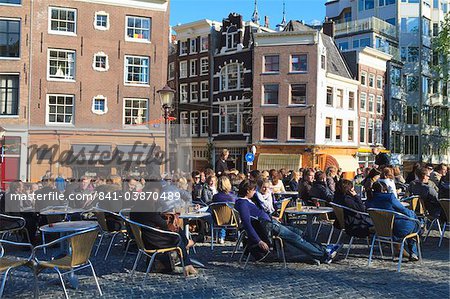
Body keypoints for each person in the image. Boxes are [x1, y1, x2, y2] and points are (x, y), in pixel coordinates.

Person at [235, 180, 342, 264]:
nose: (254, 192)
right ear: (248, 190)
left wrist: (271, 218)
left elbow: (257, 214)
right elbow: (247, 223)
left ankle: (323, 249)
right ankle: (323, 255)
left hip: (271, 222)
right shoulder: (242, 203)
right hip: (269, 227)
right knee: (297, 239)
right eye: (253, 190)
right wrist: (259, 241)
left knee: (299, 233)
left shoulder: (246, 201)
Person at [366, 182, 420, 261]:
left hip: (381, 230)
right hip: (398, 229)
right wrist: (413, 215)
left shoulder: (369, 201)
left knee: (411, 222)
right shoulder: (389, 197)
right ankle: (413, 252)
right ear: (384, 190)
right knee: (414, 223)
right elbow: (402, 209)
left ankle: (399, 248)